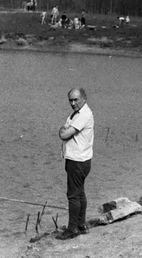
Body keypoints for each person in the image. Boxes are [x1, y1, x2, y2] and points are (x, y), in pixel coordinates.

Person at [57, 88, 94, 240]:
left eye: (76, 100)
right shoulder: (77, 113)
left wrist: (62, 130)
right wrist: (64, 130)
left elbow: (63, 134)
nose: (73, 103)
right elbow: (65, 131)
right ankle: (81, 225)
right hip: (82, 159)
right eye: (70, 100)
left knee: (73, 195)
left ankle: (72, 229)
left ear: (84, 99)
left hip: (77, 160)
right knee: (79, 193)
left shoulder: (83, 115)